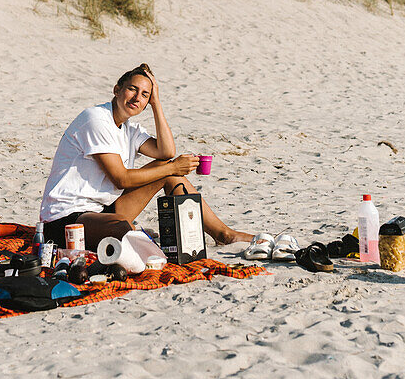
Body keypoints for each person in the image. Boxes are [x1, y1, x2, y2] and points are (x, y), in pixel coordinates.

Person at [39, 64, 252, 250]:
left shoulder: (129, 128)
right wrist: (172, 167)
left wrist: (157, 103)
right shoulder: (95, 119)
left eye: (144, 95)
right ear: (117, 90)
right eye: (132, 89)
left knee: (168, 170)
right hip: (66, 219)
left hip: (103, 210)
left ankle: (224, 234)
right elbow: (120, 179)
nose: (137, 98)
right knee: (125, 227)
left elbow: (165, 152)